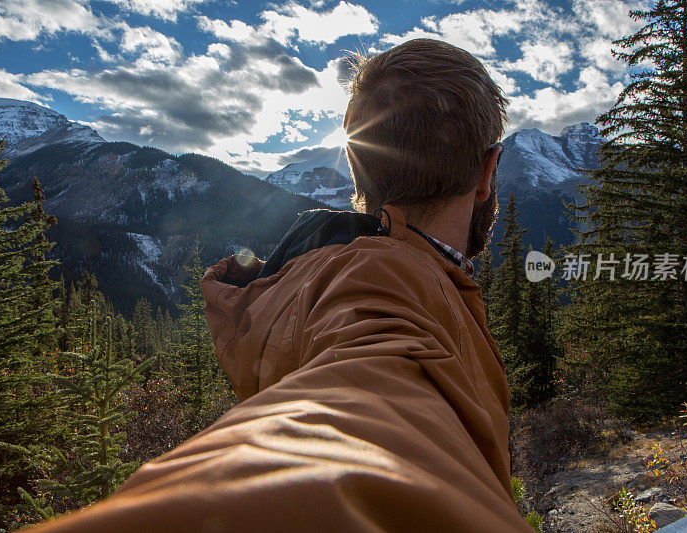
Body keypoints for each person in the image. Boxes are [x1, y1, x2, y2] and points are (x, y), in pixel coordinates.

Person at [29, 38, 531, 532]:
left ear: (357, 168)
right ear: (488, 170)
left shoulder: (319, 277)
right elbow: (366, 396)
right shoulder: (386, 284)